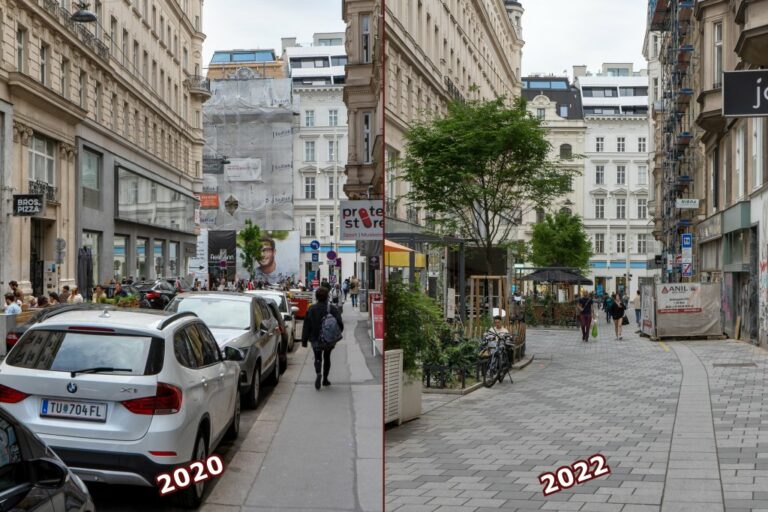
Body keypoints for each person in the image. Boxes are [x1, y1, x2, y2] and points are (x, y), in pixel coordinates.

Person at [301, 286, 344, 390]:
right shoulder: (332, 308)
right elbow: (340, 324)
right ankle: (325, 379)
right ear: (327, 297)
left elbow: (306, 325)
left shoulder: (311, 309)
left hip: (315, 338)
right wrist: (336, 334)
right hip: (328, 339)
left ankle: (318, 373)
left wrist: (304, 340)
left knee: (317, 357)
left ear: (316, 297)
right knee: (327, 357)